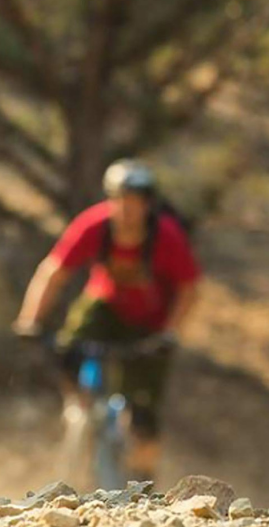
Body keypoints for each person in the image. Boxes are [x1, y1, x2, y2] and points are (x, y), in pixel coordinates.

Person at [13, 159, 200, 481]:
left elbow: (189, 288)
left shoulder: (166, 236)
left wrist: (170, 333)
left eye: (135, 203)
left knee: (143, 415)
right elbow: (54, 272)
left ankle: (144, 479)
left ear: (148, 205)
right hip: (107, 305)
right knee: (67, 345)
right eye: (120, 201)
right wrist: (30, 320)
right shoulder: (94, 225)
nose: (126, 210)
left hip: (151, 323)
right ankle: (80, 407)